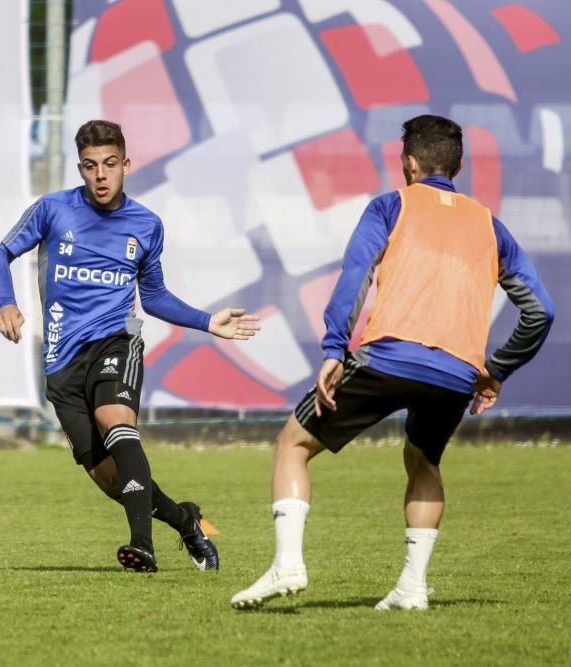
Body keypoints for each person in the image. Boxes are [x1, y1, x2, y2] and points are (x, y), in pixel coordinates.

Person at [230, 114, 555, 610]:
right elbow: (541, 310)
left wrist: (334, 349)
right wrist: (497, 371)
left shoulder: (390, 206)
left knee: (292, 443)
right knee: (423, 459)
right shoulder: (491, 226)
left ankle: (287, 564)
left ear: (408, 162)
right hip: (456, 373)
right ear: (458, 164)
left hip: (388, 357)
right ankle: (413, 587)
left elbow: (354, 276)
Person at [0, 119, 261, 572]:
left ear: (126, 165)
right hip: (62, 360)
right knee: (111, 478)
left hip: (118, 340)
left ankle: (142, 546)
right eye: (91, 165)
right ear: (80, 168)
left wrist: (208, 321)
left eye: (110, 164)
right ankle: (186, 521)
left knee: (117, 424)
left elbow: (151, 297)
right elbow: (0, 255)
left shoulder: (146, 225)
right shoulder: (52, 210)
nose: (100, 175)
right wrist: (6, 304)